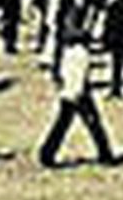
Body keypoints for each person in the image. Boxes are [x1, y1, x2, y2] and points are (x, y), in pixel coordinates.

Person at [38, 26, 117, 168]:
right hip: (77, 77)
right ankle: (105, 153)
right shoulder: (80, 51)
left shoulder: (67, 50)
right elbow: (80, 75)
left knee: (66, 120)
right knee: (87, 119)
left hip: (71, 77)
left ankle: (47, 153)